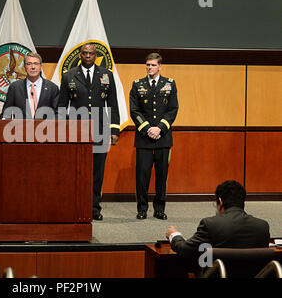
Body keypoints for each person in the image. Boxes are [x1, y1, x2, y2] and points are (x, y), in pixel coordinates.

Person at [58, 43, 120, 221]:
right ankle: (75, 206)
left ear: (96, 55)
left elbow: (113, 104)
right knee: (76, 170)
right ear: (80, 55)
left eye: (91, 54)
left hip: (100, 130)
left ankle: (94, 208)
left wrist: (114, 129)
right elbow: (63, 105)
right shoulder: (69, 75)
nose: (87, 56)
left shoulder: (106, 75)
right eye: (84, 53)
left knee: (97, 172)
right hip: (76, 131)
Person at [129, 53, 178, 220]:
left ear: (160, 66)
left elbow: (173, 109)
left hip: (163, 138)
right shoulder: (137, 85)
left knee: (161, 175)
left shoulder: (169, 84)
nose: (149, 67)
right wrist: (148, 129)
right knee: (142, 175)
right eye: (148, 65)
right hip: (144, 138)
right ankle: (142, 209)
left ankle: (159, 209)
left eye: (153, 65)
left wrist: (160, 128)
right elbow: (134, 110)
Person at [165, 180, 270, 258]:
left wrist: (174, 235)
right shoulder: (262, 226)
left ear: (220, 201)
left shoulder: (210, 224)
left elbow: (185, 250)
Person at [0, 52, 59, 119]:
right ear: (24, 67)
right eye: (29, 64)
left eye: (36, 64)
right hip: (20, 128)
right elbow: (6, 113)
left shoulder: (52, 88)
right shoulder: (15, 87)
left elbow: (57, 114)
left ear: (40, 67)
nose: (33, 67)